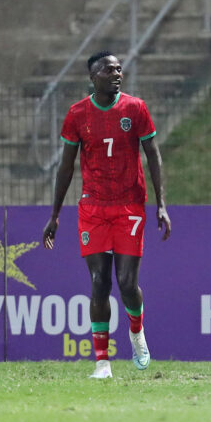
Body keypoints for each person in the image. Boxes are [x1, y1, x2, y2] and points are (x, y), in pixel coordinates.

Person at [42, 51, 172, 379]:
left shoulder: (135, 108)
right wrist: (55, 214)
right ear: (92, 77)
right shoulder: (77, 114)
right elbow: (66, 166)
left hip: (129, 205)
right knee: (99, 282)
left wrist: (162, 204)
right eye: (109, 70)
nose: (117, 74)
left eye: (119, 69)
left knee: (127, 283)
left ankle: (137, 333)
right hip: (93, 208)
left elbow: (153, 155)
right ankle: (102, 363)